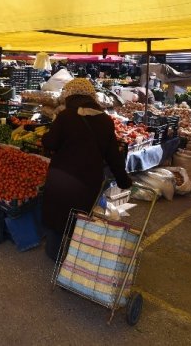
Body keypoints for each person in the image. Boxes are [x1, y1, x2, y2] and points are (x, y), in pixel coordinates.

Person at [41, 78, 131, 261]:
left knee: (57, 215)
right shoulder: (105, 120)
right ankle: (76, 254)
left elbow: (50, 142)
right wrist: (123, 180)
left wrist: (46, 136)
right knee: (79, 216)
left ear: (70, 96)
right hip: (88, 181)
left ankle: (55, 255)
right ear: (91, 96)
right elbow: (113, 155)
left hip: (62, 177)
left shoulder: (66, 116)